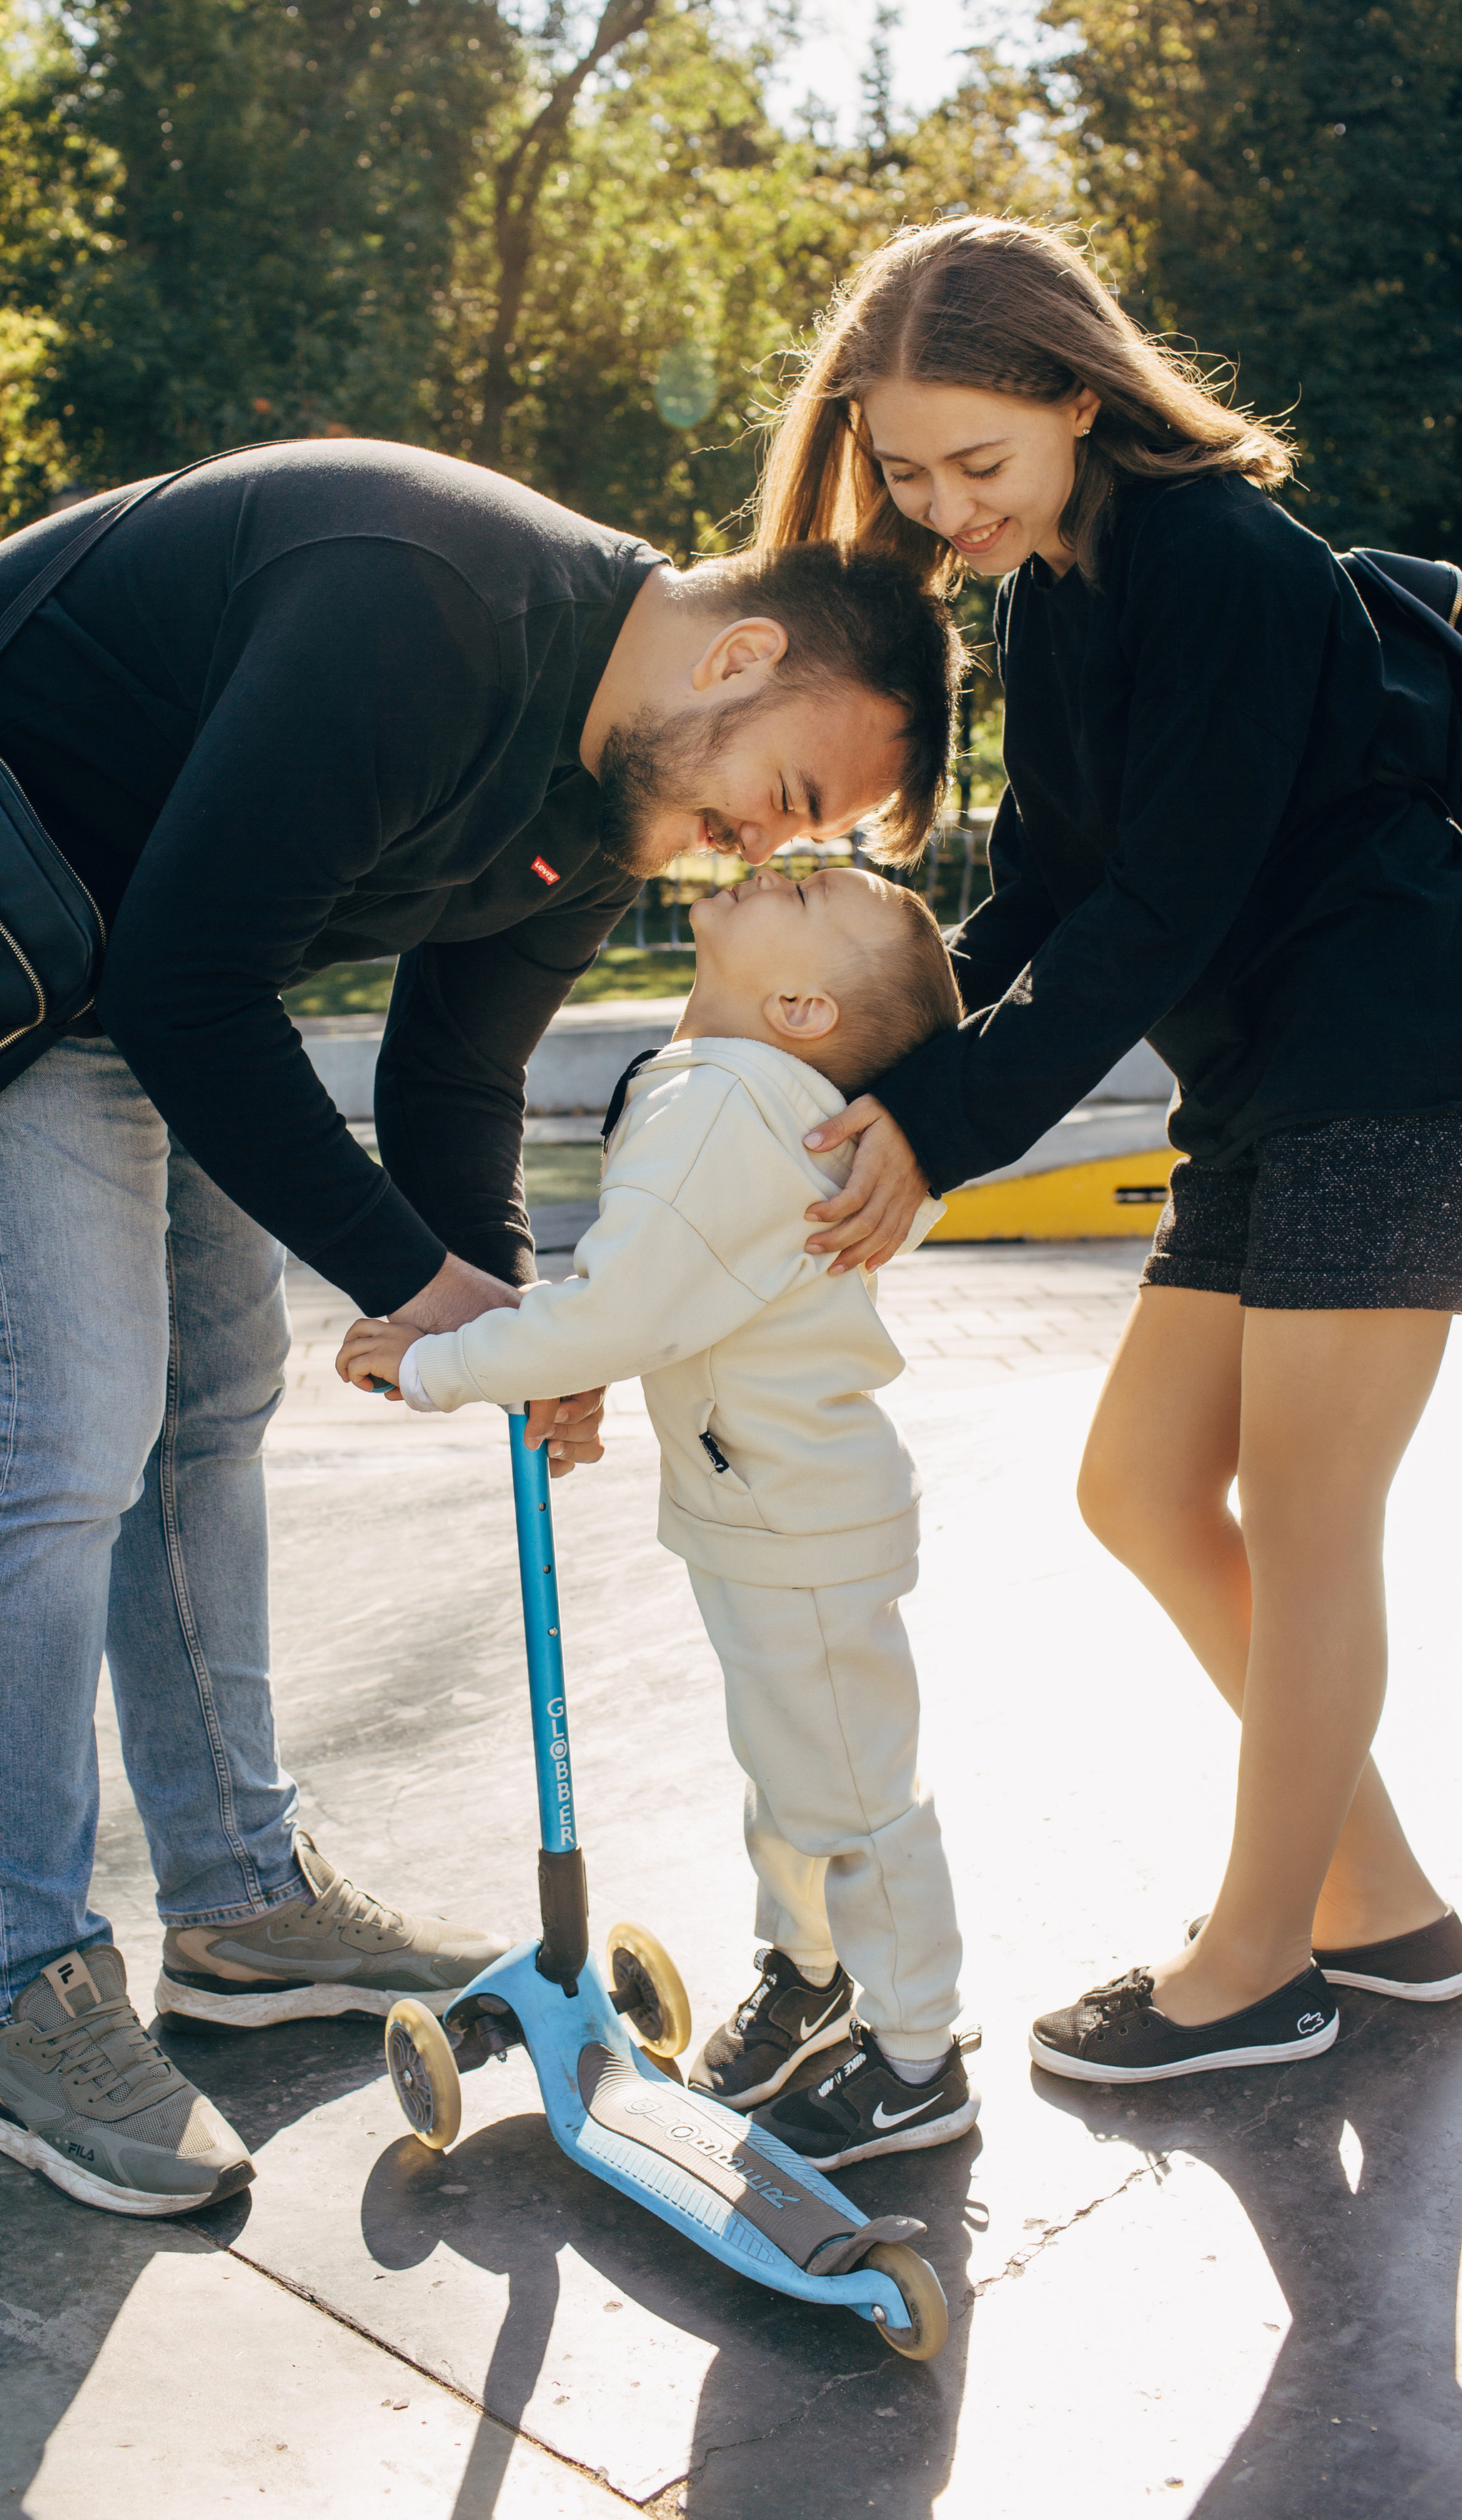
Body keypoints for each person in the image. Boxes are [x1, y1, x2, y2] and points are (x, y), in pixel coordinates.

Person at [0, 440, 953, 2215]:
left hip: (162, 944)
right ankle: (22, 1995)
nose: (755, 845)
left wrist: (511, 1314)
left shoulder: (612, 805)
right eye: (782, 791)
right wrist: (416, 1290)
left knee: (209, 1405)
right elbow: (192, 980)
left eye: (797, 843)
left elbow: (453, 1065)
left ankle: (238, 1902)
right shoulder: (427, 605)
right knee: (61, 1431)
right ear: (737, 660)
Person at [758, 217, 1462, 2085]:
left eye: (980, 462)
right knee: (1144, 1488)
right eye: (910, 468)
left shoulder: (1223, 561)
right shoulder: (1057, 581)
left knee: (1305, 1510)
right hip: (1273, 1084)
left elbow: (1161, 910)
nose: (945, 506)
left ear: (1081, 398)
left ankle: (1259, 1966)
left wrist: (938, 1132)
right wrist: (888, 1052)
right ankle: (1384, 1909)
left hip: (1406, 1059)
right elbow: (1052, 883)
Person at [337, 855, 983, 2168]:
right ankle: (810, 1979)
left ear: (802, 1007)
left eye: (805, 894)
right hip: (759, 1507)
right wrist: (559, 1342)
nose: (776, 865)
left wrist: (433, 1364)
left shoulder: (737, 1108)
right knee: (793, 1779)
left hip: (796, 1523)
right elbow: (647, 1292)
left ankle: (918, 2059)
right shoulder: (726, 1088)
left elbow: (622, 1310)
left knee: (854, 1798)